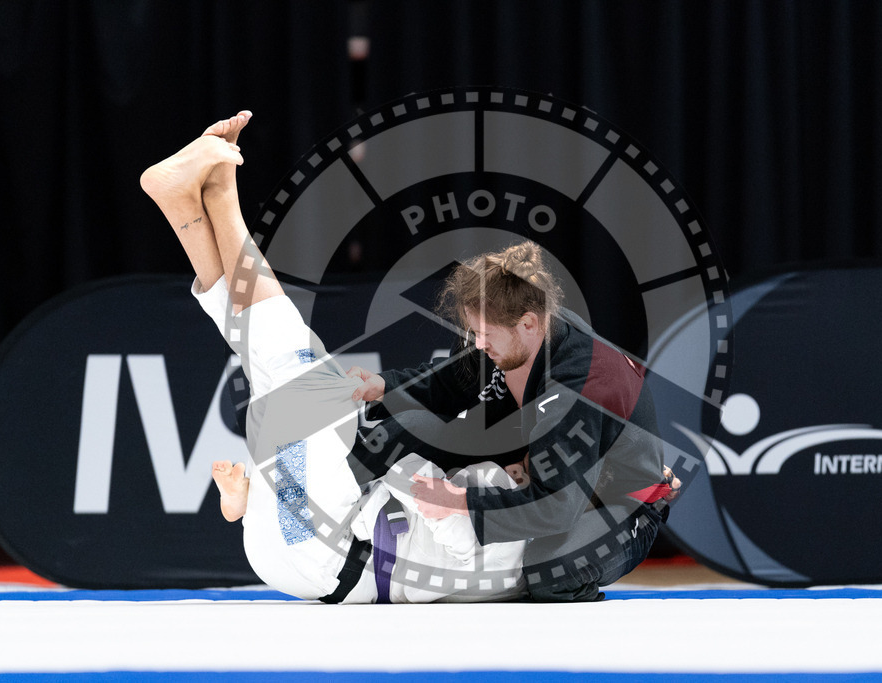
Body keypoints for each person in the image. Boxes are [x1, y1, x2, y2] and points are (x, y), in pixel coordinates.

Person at [140, 112, 527, 603]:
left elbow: (441, 518)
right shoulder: (509, 497)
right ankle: (193, 200)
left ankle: (220, 192)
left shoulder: (517, 526)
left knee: (298, 369)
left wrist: (413, 463)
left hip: (327, 550)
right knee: (277, 368)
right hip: (309, 547)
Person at [348, 242, 681, 601]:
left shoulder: (583, 385)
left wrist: (460, 500)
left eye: (485, 336)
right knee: (412, 428)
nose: (477, 344)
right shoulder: (512, 332)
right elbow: (449, 381)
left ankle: (530, 586)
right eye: (473, 332)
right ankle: (324, 499)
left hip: (618, 498)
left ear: (528, 324)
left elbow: (556, 506)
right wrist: (384, 387)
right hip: (536, 458)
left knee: (550, 570)